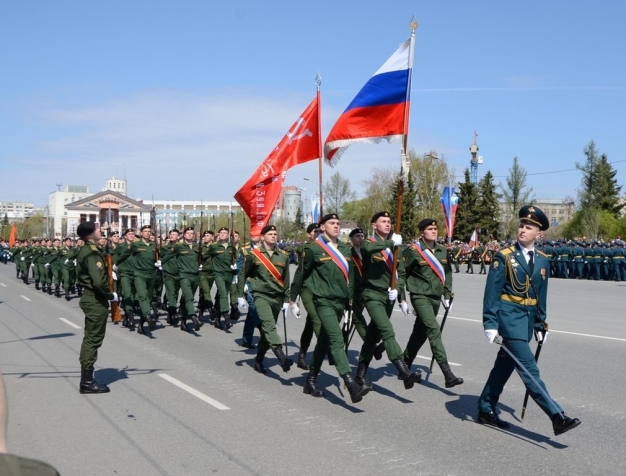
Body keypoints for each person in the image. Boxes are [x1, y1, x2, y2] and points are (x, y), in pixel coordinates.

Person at [477, 205, 581, 436]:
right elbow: (491, 293)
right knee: (529, 369)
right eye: (522, 225)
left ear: (539, 233)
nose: (523, 230)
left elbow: (540, 295)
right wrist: (490, 323)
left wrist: (540, 324)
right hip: (508, 319)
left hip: (526, 322)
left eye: (529, 227)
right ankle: (557, 416)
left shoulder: (543, 260)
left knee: (504, 366)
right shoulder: (503, 256)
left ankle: (485, 408)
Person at [291, 214, 370, 403]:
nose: (336, 226)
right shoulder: (313, 249)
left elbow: (349, 279)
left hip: (340, 302)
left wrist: (351, 303)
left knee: (323, 342)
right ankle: (350, 382)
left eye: (337, 223)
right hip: (323, 301)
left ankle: (310, 380)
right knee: (336, 340)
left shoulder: (345, 249)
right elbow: (302, 274)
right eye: (331, 223)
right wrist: (292, 300)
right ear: (322, 227)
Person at [354, 211, 421, 391]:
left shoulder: (396, 249)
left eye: (389, 221)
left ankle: (360, 374)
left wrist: (399, 293)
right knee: (387, 331)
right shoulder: (370, 242)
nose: (387, 224)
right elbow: (367, 250)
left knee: (371, 337)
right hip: (372, 295)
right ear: (374, 226)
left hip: (388, 297)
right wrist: (392, 242)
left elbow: (401, 275)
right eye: (383, 221)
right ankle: (404, 371)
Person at [401, 219, 463, 388]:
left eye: (435, 228)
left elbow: (448, 274)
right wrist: (402, 297)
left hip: (435, 297)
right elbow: (401, 274)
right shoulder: (413, 251)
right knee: (433, 330)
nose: (434, 231)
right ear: (422, 232)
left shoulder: (442, 251)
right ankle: (447, 373)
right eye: (430, 229)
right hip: (420, 296)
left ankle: (404, 363)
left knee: (420, 332)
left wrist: (447, 295)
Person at [239, 225, 292, 374]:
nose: (273, 236)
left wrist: (287, 300)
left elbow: (286, 280)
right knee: (269, 327)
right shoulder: (253, 255)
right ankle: (281, 357)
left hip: (277, 297)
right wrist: (240, 295)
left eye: (275, 233)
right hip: (261, 296)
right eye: (270, 234)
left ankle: (258, 360)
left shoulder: (283, 256)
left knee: (266, 332)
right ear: (262, 237)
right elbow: (244, 274)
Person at [75, 221, 118, 394]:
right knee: (92, 340)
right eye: (97, 229)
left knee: (91, 338)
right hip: (95, 299)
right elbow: (99, 282)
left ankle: (87, 378)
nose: (100, 230)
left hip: (92, 298)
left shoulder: (90, 250)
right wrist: (110, 295)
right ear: (90, 234)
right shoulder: (92, 254)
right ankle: (86, 382)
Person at [289, 222, 322, 370]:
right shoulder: (306, 249)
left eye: (319, 231)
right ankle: (329, 349)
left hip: (321, 291)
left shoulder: (328, 248)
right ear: (309, 234)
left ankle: (301, 356)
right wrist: (293, 299)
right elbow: (300, 273)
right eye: (315, 232)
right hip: (307, 289)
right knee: (317, 319)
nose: (317, 233)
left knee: (310, 324)